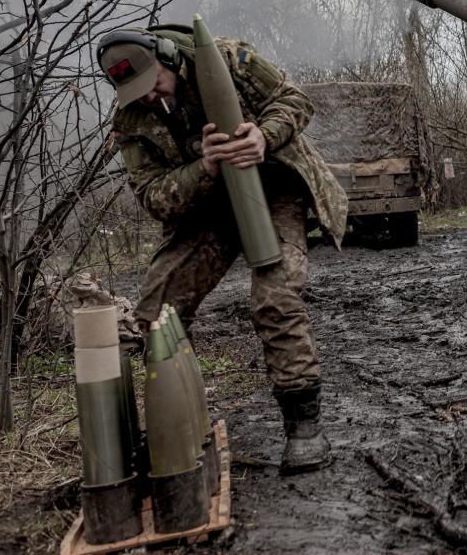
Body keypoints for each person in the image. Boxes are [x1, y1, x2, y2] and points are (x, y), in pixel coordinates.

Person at [97, 23, 348, 475]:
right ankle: (173, 430)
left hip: (271, 190)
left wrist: (262, 136)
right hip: (207, 205)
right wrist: (205, 166)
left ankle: (303, 427)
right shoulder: (131, 121)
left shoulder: (229, 60)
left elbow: (295, 100)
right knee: (156, 311)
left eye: (153, 84)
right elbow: (154, 197)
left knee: (276, 295)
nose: (150, 98)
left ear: (167, 58)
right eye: (137, 93)